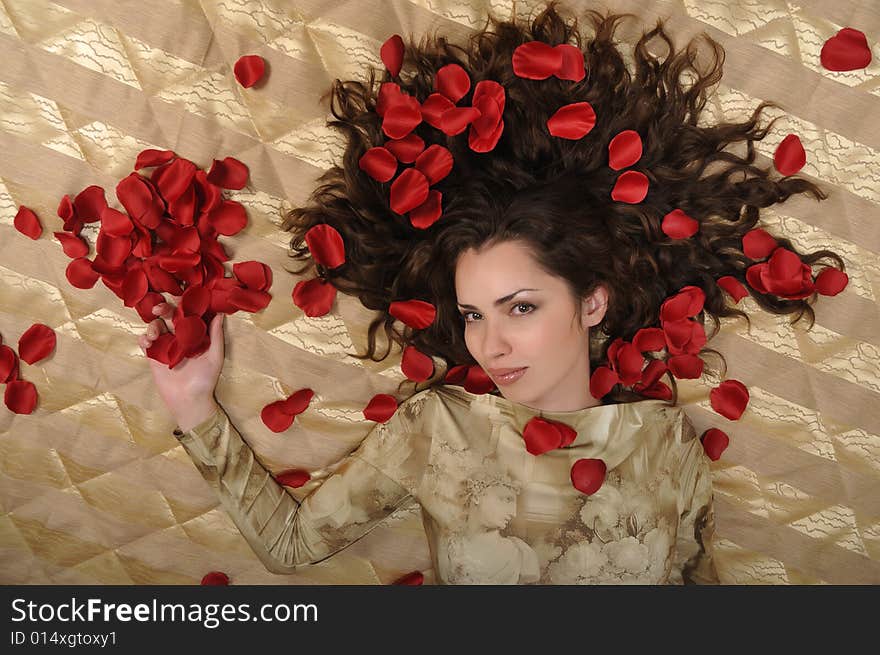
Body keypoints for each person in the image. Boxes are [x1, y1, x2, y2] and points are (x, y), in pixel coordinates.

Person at [137, 3, 846, 584]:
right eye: (473, 314)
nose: (489, 343)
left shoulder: (665, 443)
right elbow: (291, 546)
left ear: (592, 303)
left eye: (521, 306)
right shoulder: (437, 429)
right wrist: (193, 406)